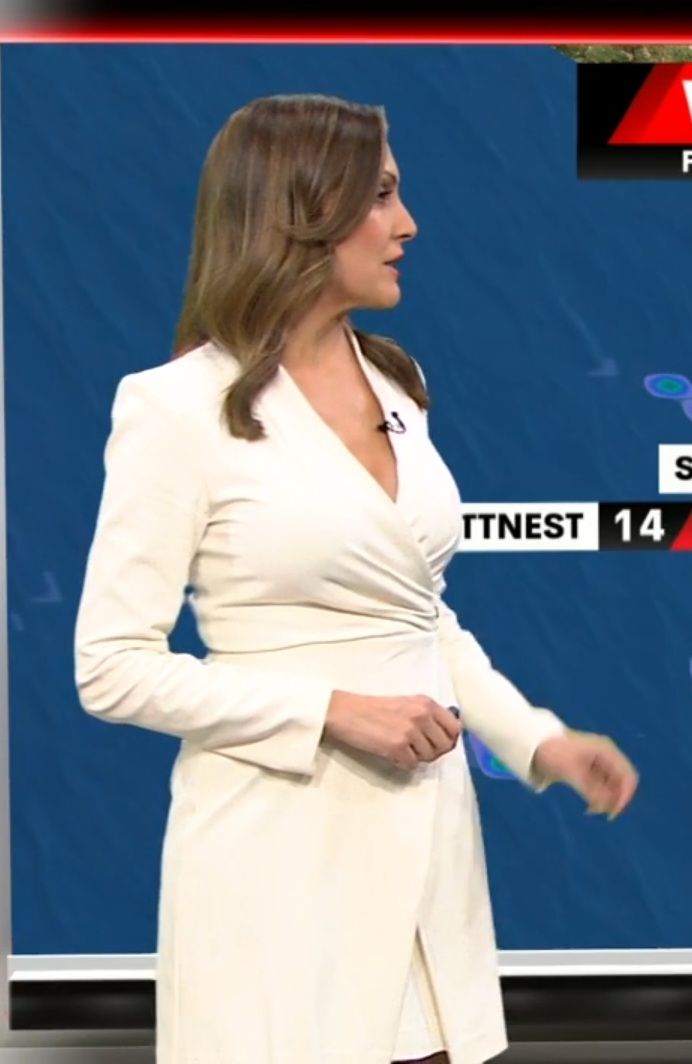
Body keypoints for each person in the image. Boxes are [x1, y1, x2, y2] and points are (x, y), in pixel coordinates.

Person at [73, 94, 639, 1064]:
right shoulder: (173, 411)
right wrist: (331, 711)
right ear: (300, 210)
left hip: (426, 844)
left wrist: (536, 740)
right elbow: (112, 667)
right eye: (379, 196)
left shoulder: (397, 383)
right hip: (277, 859)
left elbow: (419, 616)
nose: (406, 224)